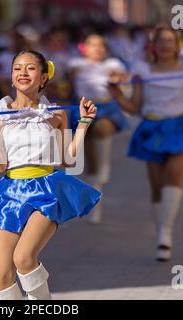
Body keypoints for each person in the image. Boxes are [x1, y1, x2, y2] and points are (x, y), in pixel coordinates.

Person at [0, 50, 101, 300]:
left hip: (46, 189)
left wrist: (84, 124)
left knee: (24, 258)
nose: (23, 73)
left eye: (30, 68)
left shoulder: (56, 113)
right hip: (10, 191)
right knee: (2, 278)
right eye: (17, 68)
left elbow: (67, 159)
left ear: (44, 78)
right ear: (11, 77)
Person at [109, 26, 183, 261]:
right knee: (156, 187)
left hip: (181, 127)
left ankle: (166, 235)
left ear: (177, 45)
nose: (165, 45)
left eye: (170, 41)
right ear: (153, 46)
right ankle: (161, 233)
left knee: (173, 174)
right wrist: (117, 96)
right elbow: (135, 107)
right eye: (160, 41)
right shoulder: (142, 71)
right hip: (152, 128)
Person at [67, 34, 129, 224]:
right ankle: (95, 203)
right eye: (93, 45)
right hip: (81, 109)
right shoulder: (75, 63)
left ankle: (105, 165)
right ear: (84, 48)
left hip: (106, 107)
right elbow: (65, 80)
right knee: (92, 164)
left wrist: (118, 80)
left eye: (101, 45)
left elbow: (124, 77)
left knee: (102, 130)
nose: (97, 49)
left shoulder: (112, 64)